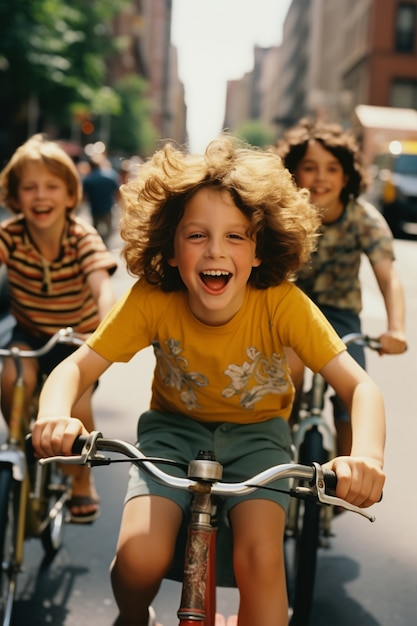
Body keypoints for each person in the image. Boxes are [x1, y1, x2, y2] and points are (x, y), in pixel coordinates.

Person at [32, 136, 386, 626]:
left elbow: (359, 386)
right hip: (171, 434)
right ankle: (135, 618)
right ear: (170, 249)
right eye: (196, 235)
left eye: (236, 237)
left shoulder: (281, 302)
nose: (215, 250)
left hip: (261, 438)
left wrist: (366, 456)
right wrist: (53, 414)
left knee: (261, 564)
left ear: (259, 250)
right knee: (138, 557)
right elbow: (75, 366)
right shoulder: (153, 298)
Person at [0, 134, 118, 523]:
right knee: (11, 378)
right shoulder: (10, 236)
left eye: (51, 186)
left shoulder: (80, 236)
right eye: (29, 187)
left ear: (70, 195)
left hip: (76, 339)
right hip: (31, 333)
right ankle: (21, 442)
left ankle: (81, 481)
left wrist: (105, 331)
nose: (40, 195)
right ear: (14, 197)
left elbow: (102, 285)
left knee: (77, 407)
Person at [273, 119, 407, 456]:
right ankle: (275, 456)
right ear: (293, 173)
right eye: (309, 167)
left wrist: (397, 328)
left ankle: (352, 471)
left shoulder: (364, 219)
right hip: (290, 309)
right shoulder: (282, 215)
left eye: (332, 168)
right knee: (286, 381)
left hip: (340, 315)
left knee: (354, 393)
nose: (321, 177)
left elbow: (388, 277)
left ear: (345, 176)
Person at [82, 153, 120, 244]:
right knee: (109, 228)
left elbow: (84, 197)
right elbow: (117, 192)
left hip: (94, 209)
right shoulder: (111, 176)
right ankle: (105, 242)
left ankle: (98, 243)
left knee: (95, 229)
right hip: (108, 207)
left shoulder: (88, 179)